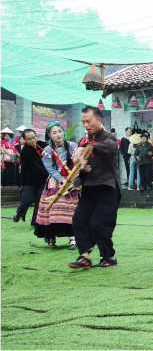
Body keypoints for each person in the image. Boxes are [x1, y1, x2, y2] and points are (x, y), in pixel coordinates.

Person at [68, 106, 121, 268]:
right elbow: (82, 169)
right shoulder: (83, 141)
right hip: (89, 188)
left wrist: (85, 148)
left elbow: (107, 148)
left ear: (99, 119)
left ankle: (108, 257)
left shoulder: (109, 137)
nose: (85, 125)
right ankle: (84, 256)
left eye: (88, 121)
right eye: (83, 121)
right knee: (78, 219)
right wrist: (82, 170)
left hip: (108, 188)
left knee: (99, 223)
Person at [34, 122, 78, 248]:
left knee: (72, 211)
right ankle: (51, 238)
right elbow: (51, 169)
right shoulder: (47, 150)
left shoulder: (73, 146)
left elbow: (77, 164)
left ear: (63, 131)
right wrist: (62, 180)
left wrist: (72, 178)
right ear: (49, 135)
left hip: (71, 181)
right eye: (54, 132)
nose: (58, 134)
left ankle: (73, 239)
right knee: (54, 211)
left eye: (59, 131)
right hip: (55, 183)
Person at [12, 129, 48, 226]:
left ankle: (35, 222)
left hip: (42, 180)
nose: (32, 140)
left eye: (34, 137)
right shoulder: (25, 151)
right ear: (24, 140)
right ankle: (19, 213)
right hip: (29, 180)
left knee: (40, 200)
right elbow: (34, 166)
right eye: (29, 139)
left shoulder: (43, 145)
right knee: (27, 200)